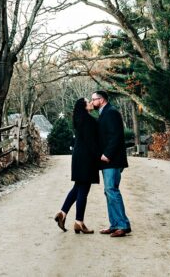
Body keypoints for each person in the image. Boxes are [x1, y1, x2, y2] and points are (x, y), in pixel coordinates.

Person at [53, 98, 99, 234]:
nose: (91, 102)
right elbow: (91, 142)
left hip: (78, 156)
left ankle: (62, 213)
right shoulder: (89, 121)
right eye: (88, 101)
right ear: (84, 106)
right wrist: (99, 156)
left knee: (77, 187)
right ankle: (79, 222)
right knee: (83, 190)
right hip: (86, 158)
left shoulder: (79, 119)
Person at [90, 90, 131, 237]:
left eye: (93, 99)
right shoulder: (104, 112)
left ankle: (122, 225)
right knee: (109, 192)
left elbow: (116, 136)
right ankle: (114, 224)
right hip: (108, 161)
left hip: (112, 160)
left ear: (101, 100)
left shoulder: (111, 112)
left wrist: (107, 154)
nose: (92, 102)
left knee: (112, 191)